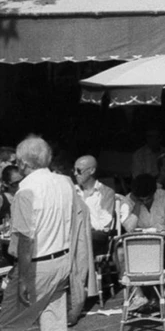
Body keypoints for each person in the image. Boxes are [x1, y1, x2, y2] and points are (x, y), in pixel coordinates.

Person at [0, 136, 75, 330]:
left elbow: (26, 239)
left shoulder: (26, 190)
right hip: (62, 260)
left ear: (24, 163)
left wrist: (24, 278)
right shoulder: (66, 183)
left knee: (8, 324)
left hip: (37, 265)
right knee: (54, 321)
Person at [72, 156, 116, 255]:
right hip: (75, 236)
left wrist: (87, 226)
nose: (75, 173)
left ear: (91, 171)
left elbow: (105, 223)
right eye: (73, 170)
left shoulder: (106, 192)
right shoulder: (72, 191)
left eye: (79, 170)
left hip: (95, 238)